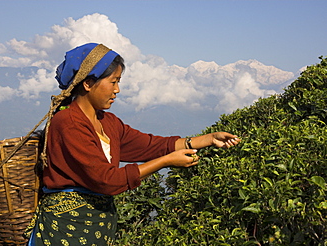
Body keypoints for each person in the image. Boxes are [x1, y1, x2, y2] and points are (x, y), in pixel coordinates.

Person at [24, 43, 240, 246]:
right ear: (88, 83)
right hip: (66, 230)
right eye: (113, 81)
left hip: (97, 230)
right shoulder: (68, 123)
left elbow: (150, 145)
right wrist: (165, 162)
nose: (117, 89)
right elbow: (107, 180)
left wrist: (208, 139)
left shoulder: (107, 122)